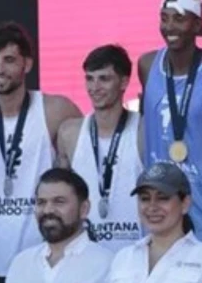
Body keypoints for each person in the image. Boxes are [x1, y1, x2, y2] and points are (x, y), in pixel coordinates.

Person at [0, 21, 82, 283]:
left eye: (9, 60)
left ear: (27, 64)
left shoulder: (55, 109)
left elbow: (84, 167)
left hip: (39, 255)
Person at [138, 0, 202, 259]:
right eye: (164, 18)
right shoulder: (146, 65)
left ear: (198, 25)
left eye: (179, 18)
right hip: (160, 203)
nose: (170, 26)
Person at [57, 45, 143, 251]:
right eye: (89, 78)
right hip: (86, 255)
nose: (94, 87)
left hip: (134, 252)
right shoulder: (69, 132)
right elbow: (62, 193)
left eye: (104, 79)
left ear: (124, 82)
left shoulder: (143, 129)